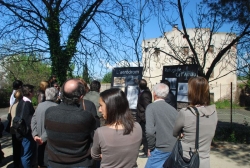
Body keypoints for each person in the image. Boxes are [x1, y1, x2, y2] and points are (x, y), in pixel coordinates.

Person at [45, 79, 96, 168]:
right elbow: (93, 138)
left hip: (54, 162)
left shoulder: (49, 112)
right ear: (81, 97)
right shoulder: (86, 116)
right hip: (80, 162)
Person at [173, 77, 218, 168]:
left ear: (191, 92)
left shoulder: (185, 113)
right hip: (204, 160)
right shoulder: (214, 112)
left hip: (187, 160)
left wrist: (181, 134)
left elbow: (174, 132)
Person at [91, 88, 142, 167]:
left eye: (101, 106)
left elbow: (95, 155)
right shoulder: (137, 127)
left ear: (111, 107)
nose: (99, 110)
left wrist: (105, 156)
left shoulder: (101, 132)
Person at [145, 83, 178, 168]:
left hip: (159, 149)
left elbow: (150, 131)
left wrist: (150, 147)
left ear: (154, 93)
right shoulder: (173, 110)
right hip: (173, 148)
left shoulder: (151, 108)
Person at [31, 87, 58, 167]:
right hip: (49, 141)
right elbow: (53, 125)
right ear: (56, 96)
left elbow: (33, 120)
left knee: (40, 162)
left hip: (39, 138)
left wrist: (35, 134)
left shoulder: (40, 105)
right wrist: (43, 138)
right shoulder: (56, 107)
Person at [16, 84, 36, 168]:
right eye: (33, 91)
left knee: (24, 154)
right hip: (27, 133)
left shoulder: (21, 102)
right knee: (26, 155)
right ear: (30, 92)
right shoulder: (27, 103)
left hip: (22, 132)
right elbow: (28, 120)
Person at [137, 79, 152, 158]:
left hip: (144, 118)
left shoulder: (145, 94)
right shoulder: (144, 92)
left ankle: (146, 152)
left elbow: (148, 107)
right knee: (142, 134)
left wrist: (144, 117)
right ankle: (144, 149)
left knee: (145, 135)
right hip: (141, 117)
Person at [8, 90, 23, 168]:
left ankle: (16, 162)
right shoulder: (21, 105)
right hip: (18, 128)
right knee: (20, 147)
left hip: (12, 128)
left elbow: (8, 117)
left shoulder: (12, 105)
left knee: (15, 146)